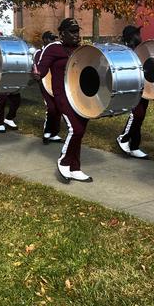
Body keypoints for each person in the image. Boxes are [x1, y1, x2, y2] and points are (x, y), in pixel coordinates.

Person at [34, 18, 92, 183]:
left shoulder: (80, 50)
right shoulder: (53, 48)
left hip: (80, 96)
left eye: (77, 31)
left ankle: (75, 168)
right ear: (62, 33)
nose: (76, 35)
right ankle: (64, 161)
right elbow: (42, 69)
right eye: (72, 32)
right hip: (62, 96)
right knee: (76, 129)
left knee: (80, 130)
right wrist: (36, 74)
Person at [116, 25, 150, 159]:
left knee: (140, 116)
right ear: (131, 37)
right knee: (137, 114)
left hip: (144, 86)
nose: (140, 36)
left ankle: (135, 146)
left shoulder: (139, 49)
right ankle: (123, 138)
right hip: (132, 87)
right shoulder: (125, 51)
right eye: (137, 34)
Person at [34, 31, 62, 144]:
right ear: (45, 39)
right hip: (45, 84)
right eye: (51, 39)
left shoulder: (56, 51)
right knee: (51, 107)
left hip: (56, 83)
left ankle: (54, 133)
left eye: (54, 39)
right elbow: (39, 68)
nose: (53, 41)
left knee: (58, 108)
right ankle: (47, 132)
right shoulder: (39, 53)